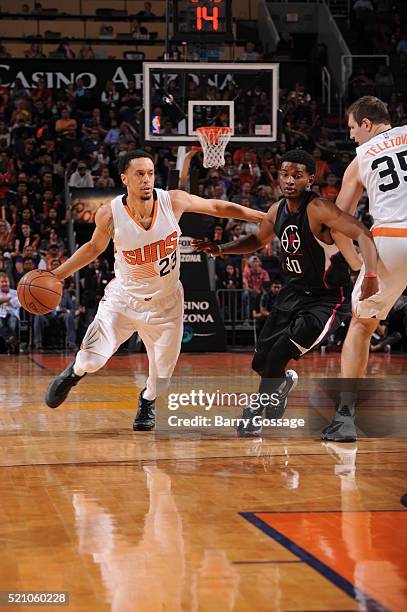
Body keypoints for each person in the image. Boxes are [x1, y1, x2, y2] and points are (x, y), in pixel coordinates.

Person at [44, 150, 264, 431]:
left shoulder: (173, 201)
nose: (147, 179)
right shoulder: (109, 214)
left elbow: (217, 207)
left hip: (165, 304)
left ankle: (146, 401)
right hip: (123, 300)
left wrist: (262, 216)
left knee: (161, 380)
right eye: (139, 174)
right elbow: (93, 248)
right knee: (91, 361)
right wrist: (58, 274)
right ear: (124, 178)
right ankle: (73, 373)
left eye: (150, 173)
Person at [194, 149, 379, 437]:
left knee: (279, 354)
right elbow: (257, 239)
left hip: (326, 297)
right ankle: (280, 386)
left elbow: (362, 233)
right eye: (285, 174)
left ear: (310, 179)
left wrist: (370, 274)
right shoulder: (276, 210)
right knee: (261, 362)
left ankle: (255, 411)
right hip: (292, 293)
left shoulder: (319, 208)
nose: (290, 180)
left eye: (297, 175)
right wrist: (221, 249)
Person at [322, 96, 407, 441]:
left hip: (392, 239)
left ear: (368, 124)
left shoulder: (361, 159)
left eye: (353, 128)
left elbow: (337, 222)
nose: (352, 135)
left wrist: (359, 265)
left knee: (361, 323)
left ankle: (344, 417)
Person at [0, 273, 20, 354]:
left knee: (12, 323)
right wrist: (8, 299)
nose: (4, 284)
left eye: (6, 282)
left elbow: (18, 303)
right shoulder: (12, 295)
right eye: (2, 282)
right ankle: (11, 340)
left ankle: (9, 341)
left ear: (9, 282)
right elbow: (12, 301)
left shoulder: (15, 292)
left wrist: (3, 300)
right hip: (0, 315)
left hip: (12, 314)